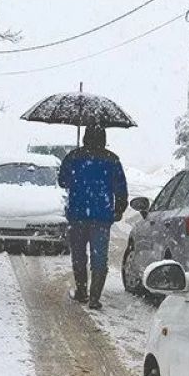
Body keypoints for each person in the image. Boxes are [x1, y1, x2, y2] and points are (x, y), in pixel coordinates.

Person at [58, 126, 128, 310]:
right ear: (104, 139)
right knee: (99, 257)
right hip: (102, 217)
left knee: (79, 255)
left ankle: (82, 291)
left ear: (85, 138)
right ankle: (95, 298)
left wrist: (74, 169)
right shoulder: (112, 160)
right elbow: (120, 188)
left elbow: (62, 181)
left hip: (77, 214)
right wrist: (119, 208)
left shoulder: (74, 157)